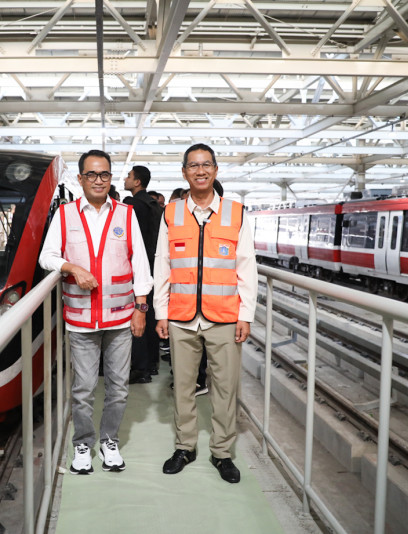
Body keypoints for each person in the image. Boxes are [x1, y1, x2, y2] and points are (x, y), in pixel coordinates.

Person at [39, 149, 152, 474]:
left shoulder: (126, 214)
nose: (98, 180)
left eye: (104, 174)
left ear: (110, 178)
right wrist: (72, 267)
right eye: (91, 174)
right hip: (81, 319)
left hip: (121, 317)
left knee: (118, 388)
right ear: (80, 179)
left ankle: (109, 440)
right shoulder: (65, 215)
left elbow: (140, 264)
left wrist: (141, 308)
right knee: (84, 388)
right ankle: (83, 444)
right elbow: (47, 256)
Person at [154, 143, 258, 484]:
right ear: (184, 172)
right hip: (181, 315)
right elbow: (162, 265)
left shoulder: (236, 213)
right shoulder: (171, 213)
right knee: (182, 387)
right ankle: (184, 447)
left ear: (215, 170)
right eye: (193, 165)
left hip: (224, 316)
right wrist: (160, 311)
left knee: (225, 389)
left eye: (206, 165)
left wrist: (246, 314)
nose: (200, 171)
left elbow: (247, 267)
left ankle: (222, 452)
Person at [122, 165, 163, 384]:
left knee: (138, 314)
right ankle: (152, 364)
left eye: (129, 176)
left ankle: (140, 368)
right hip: (154, 268)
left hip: (138, 270)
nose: (125, 179)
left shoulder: (132, 205)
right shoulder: (155, 205)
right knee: (150, 313)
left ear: (137, 182)